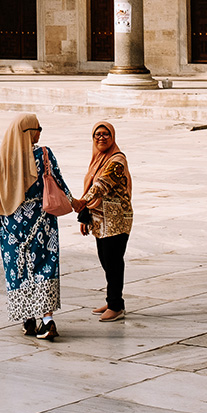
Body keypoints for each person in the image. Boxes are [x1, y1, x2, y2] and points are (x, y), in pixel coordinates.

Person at [0, 112, 74, 341]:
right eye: (38, 128)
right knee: (45, 266)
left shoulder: (0, 160)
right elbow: (57, 182)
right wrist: (73, 202)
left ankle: (28, 319)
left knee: (17, 270)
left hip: (11, 228)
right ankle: (47, 321)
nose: (39, 133)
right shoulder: (44, 155)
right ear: (27, 132)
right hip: (42, 223)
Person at [75, 121, 133, 322]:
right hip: (101, 221)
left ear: (113, 137)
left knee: (114, 262)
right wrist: (85, 216)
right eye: (97, 134)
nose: (101, 137)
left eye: (106, 134)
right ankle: (113, 300)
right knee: (106, 261)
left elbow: (100, 185)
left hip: (117, 220)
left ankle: (116, 306)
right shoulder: (98, 159)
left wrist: (79, 203)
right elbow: (91, 185)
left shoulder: (117, 160)